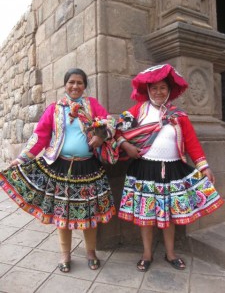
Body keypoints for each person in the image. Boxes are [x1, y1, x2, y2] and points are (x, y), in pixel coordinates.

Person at [0, 68, 116, 273]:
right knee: (62, 214)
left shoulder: (92, 106)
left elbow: (110, 122)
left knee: (89, 213)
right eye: (71, 82)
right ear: (65, 85)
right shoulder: (55, 109)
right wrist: (21, 158)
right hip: (60, 167)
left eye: (79, 82)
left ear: (84, 86)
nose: (75, 86)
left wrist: (102, 135)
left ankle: (91, 253)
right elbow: (40, 137)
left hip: (88, 166)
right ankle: (65, 255)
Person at [116, 64, 224, 272]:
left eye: (163, 88)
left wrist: (204, 167)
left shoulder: (178, 116)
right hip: (144, 170)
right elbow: (116, 131)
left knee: (171, 215)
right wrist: (126, 146)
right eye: (154, 88)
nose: (158, 92)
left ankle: (170, 253)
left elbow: (192, 143)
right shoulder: (137, 111)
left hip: (173, 171)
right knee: (146, 216)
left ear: (169, 90)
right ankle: (147, 254)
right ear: (148, 90)